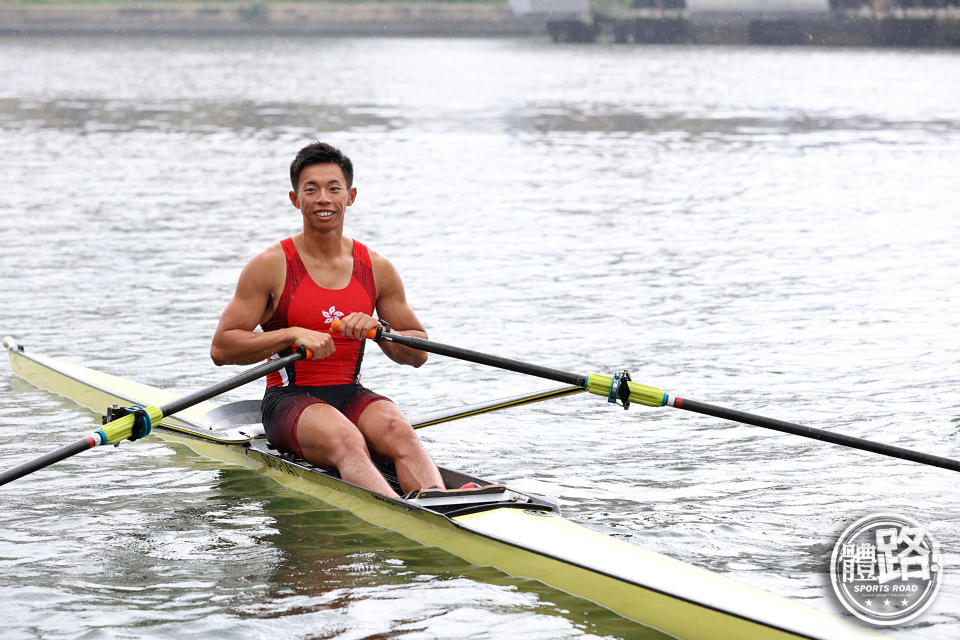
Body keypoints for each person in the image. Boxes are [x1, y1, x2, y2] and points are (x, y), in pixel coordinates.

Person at [210, 142, 445, 498]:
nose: (323, 198)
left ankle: (440, 505)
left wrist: (381, 332)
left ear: (350, 196)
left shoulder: (376, 268)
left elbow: (418, 352)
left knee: (400, 430)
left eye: (333, 188)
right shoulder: (270, 266)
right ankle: (404, 514)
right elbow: (222, 347)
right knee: (348, 439)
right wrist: (290, 334)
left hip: (351, 393)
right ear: (295, 199)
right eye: (311, 189)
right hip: (288, 398)